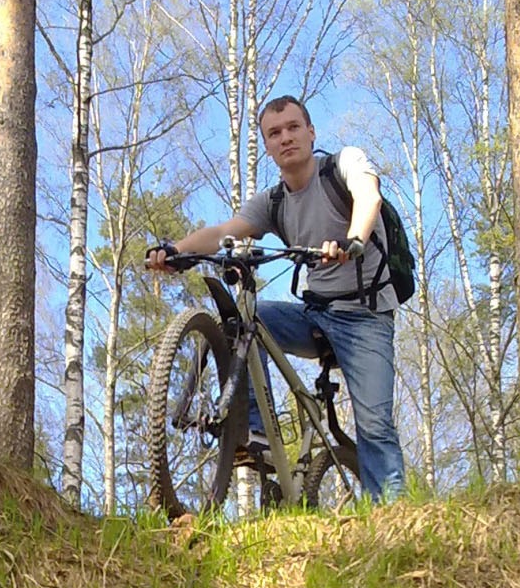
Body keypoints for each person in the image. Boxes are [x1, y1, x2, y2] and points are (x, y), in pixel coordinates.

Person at [147, 95, 406, 502]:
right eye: (274, 133)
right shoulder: (273, 201)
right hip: (316, 312)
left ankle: (392, 513)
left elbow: (368, 196)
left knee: (374, 425)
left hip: (365, 316)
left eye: (293, 127)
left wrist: (353, 240)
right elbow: (222, 233)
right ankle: (254, 431)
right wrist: (175, 251)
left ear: (311, 132)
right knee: (245, 320)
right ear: (267, 146)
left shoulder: (343, 164)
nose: (285, 138)